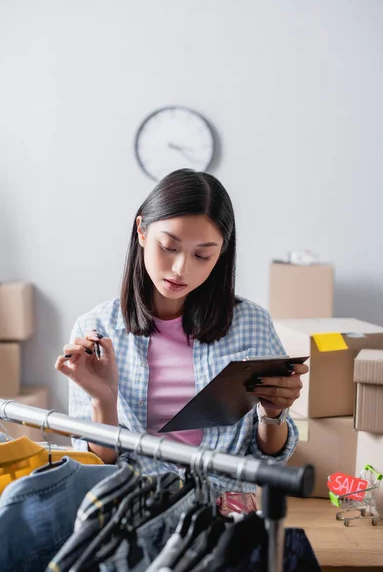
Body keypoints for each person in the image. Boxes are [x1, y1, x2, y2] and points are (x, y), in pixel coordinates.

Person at [55, 168, 308, 493]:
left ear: (220, 255)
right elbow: (96, 467)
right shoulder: (97, 328)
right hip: (134, 507)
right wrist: (104, 399)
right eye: (169, 247)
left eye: (202, 255)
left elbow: (267, 462)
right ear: (142, 231)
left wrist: (273, 414)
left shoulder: (251, 325)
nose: (181, 269)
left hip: (220, 512)